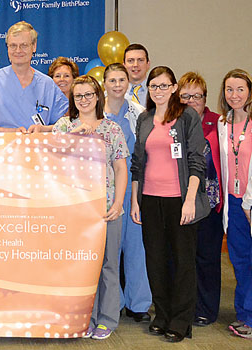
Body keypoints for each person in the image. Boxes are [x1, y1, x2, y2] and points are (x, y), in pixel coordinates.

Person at [130, 66, 209, 342]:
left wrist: (190, 201)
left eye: (164, 86)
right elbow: (137, 164)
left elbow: (198, 162)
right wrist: (135, 201)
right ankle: (161, 315)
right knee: (156, 260)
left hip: (180, 201)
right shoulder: (145, 118)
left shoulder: (187, 117)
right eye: (154, 86)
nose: (159, 91)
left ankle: (180, 321)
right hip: (150, 200)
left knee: (184, 262)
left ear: (174, 88)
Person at [53, 75, 128, 340]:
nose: (83, 100)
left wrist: (118, 202)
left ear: (97, 96)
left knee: (108, 265)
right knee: (79, 267)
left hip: (106, 209)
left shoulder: (112, 130)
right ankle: (83, 317)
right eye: (78, 96)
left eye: (88, 95)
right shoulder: (63, 126)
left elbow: (120, 168)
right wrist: (73, 137)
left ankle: (107, 319)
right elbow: (52, 160)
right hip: (75, 211)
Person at [102, 64, 152, 323]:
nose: (118, 84)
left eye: (122, 79)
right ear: (105, 83)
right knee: (110, 250)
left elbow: (144, 154)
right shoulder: (96, 114)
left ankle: (139, 304)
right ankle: (115, 302)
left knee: (136, 248)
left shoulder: (139, 113)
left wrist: (137, 195)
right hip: (105, 189)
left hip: (133, 187)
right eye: (112, 80)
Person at [177, 72, 224, 327]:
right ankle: (186, 305)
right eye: (185, 95)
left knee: (207, 258)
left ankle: (206, 308)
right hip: (181, 201)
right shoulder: (173, 123)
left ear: (205, 98)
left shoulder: (219, 122)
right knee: (183, 259)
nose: (191, 100)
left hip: (209, 204)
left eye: (196, 96)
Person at [0, 21, 68, 132]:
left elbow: (64, 126)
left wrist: (43, 129)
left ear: (34, 46)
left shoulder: (47, 84)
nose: (18, 51)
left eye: (24, 45)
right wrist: (11, 133)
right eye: (13, 46)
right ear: (7, 48)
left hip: (38, 147)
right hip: (2, 147)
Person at [217, 69, 252, 339]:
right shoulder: (222, 124)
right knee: (240, 262)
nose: (235, 95)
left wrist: (249, 203)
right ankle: (243, 315)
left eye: (240, 89)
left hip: (250, 202)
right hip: (233, 202)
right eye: (230, 89)